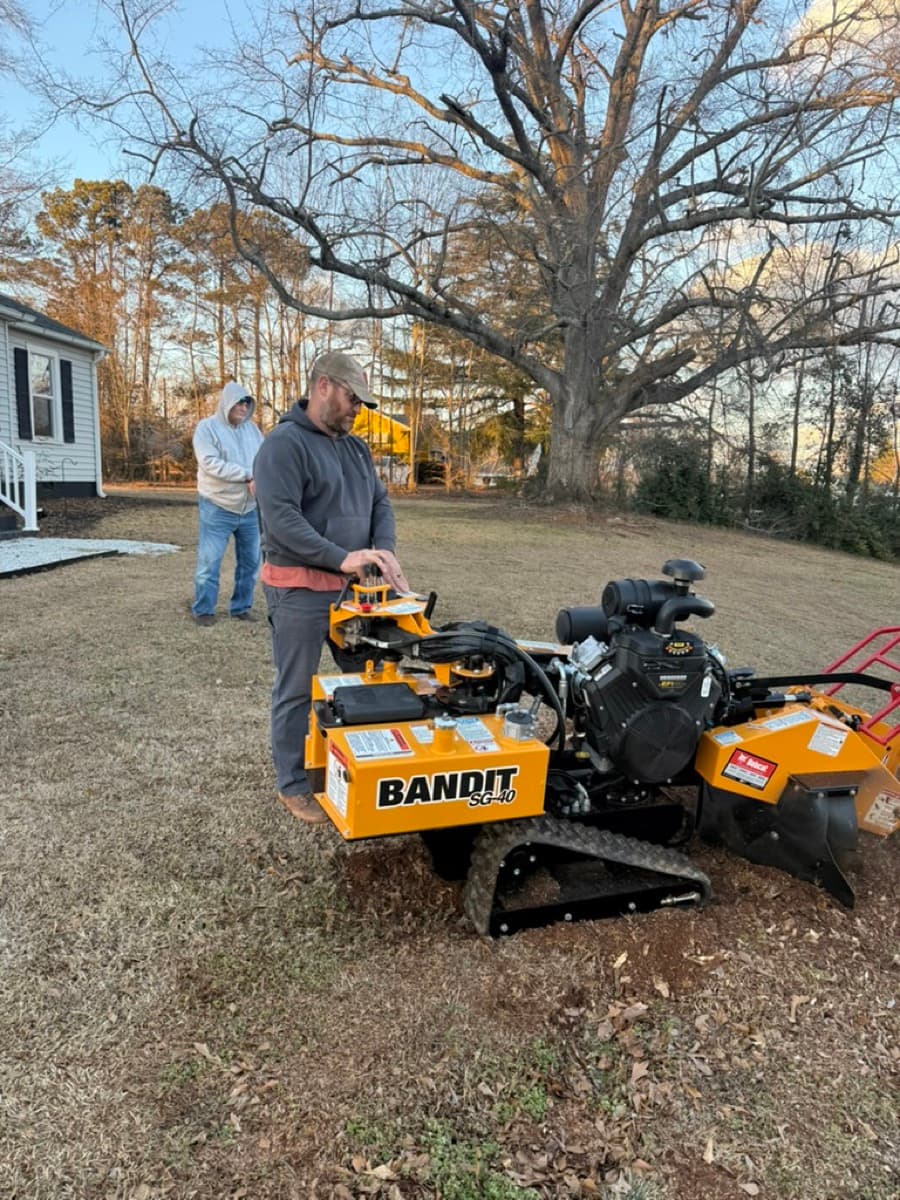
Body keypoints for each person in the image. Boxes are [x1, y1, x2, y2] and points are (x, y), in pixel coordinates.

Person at [253, 350, 409, 824]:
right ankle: (294, 783)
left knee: (369, 676)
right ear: (323, 386)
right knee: (296, 688)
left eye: (361, 402)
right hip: (300, 590)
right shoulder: (282, 446)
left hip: (355, 594)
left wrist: (382, 550)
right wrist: (342, 558)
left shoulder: (355, 448)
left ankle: (360, 763)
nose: (356, 408)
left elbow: (380, 502)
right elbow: (282, 523)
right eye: (351, 398)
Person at [191, 381, 264, 626]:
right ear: (227, 403)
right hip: (217, 506)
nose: (243, 407)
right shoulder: (207, 428)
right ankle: (204, 610)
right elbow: (210, 462)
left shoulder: (252, 431)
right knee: (209, 562)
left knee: (251, 562)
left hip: (250, 508)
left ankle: (241, 607)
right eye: (239, 402)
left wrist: (262, 476)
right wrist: (247, 474)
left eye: (247, 403)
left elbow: (264, 459)